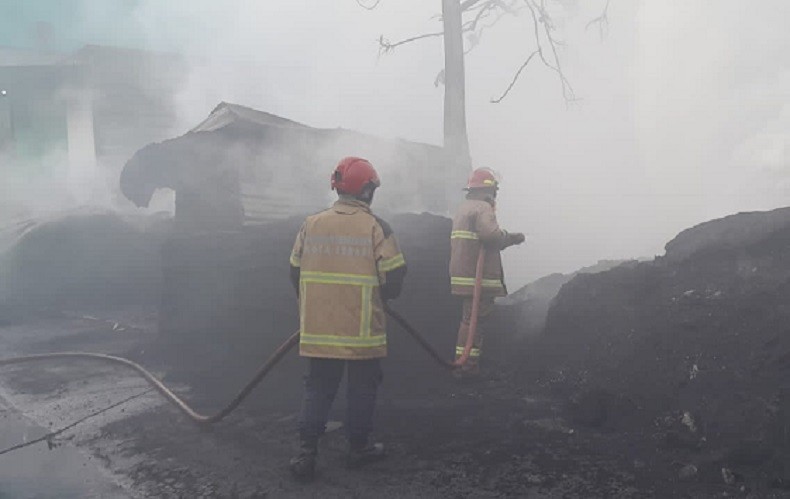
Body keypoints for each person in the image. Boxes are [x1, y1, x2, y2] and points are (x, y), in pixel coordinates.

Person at [288, 156, 407, 481]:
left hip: (318, 329)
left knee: (318, 388)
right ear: (367, 190)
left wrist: (314, 305)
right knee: (361, 389)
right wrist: (383, 297)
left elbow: (294, 271)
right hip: (361, 331)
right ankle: (358, 449)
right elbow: (394, 278)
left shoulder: (310, 224)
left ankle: (306, 454)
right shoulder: (377, 228)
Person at [449, 167, 525, 378]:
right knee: (474, 321)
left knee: (468, 319)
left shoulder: (464, 208)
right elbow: (490, 235)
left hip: (463, 274)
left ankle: (463, 362)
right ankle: (468, 367)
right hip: (477, 278)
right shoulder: (483, 208)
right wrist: (512, 238)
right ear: (488, 190)